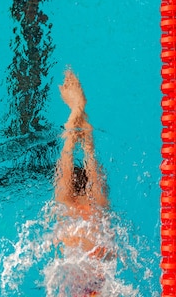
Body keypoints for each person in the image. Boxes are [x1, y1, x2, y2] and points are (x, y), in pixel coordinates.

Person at [52, 68, 114, 296]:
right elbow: (85, 157)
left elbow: (67, 162)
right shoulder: (96, 206)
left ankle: (77, 109)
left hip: (81, 280)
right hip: (96, 281)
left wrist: (77, 110)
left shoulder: (67, 206)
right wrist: (79, 113)